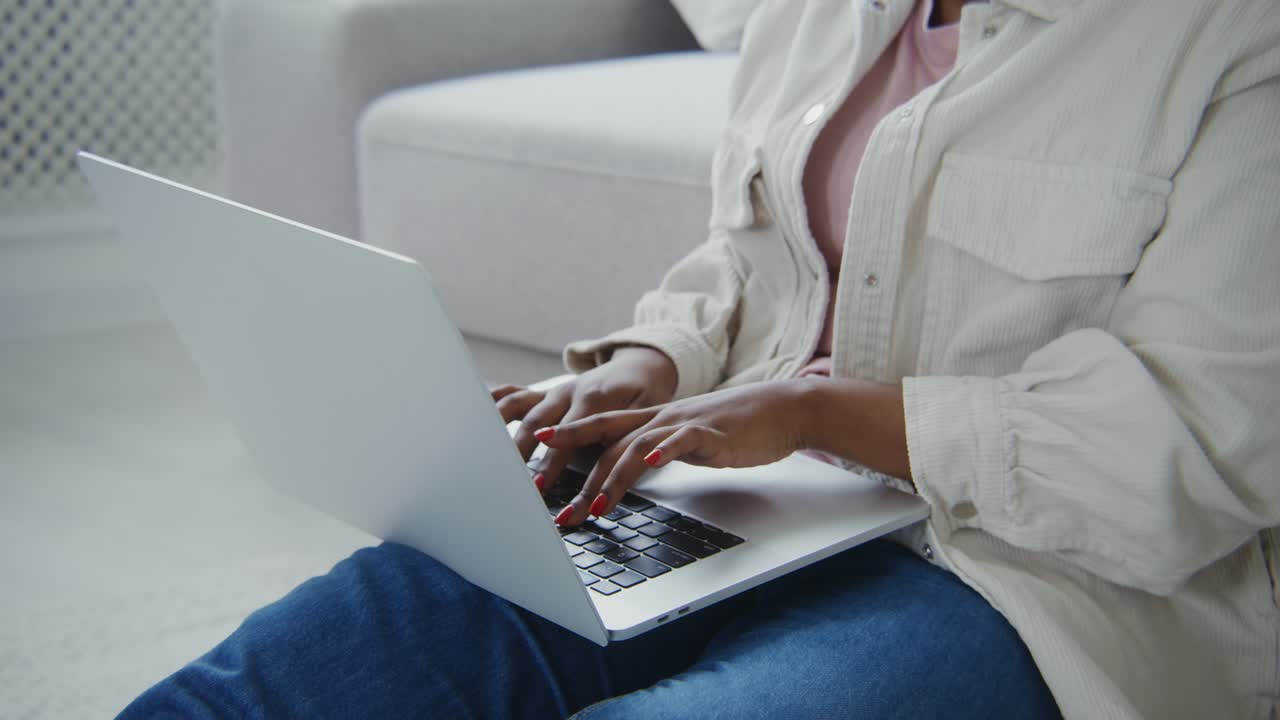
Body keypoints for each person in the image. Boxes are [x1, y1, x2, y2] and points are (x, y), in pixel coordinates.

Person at [119, 0, 1280, 717]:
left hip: (1033, 584)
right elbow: (751, 255)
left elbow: (1198, 443)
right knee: (300, 672)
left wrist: (819, 415)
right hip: (741, 507)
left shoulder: (1231, 34)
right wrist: (652, 362)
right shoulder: (817, 12)